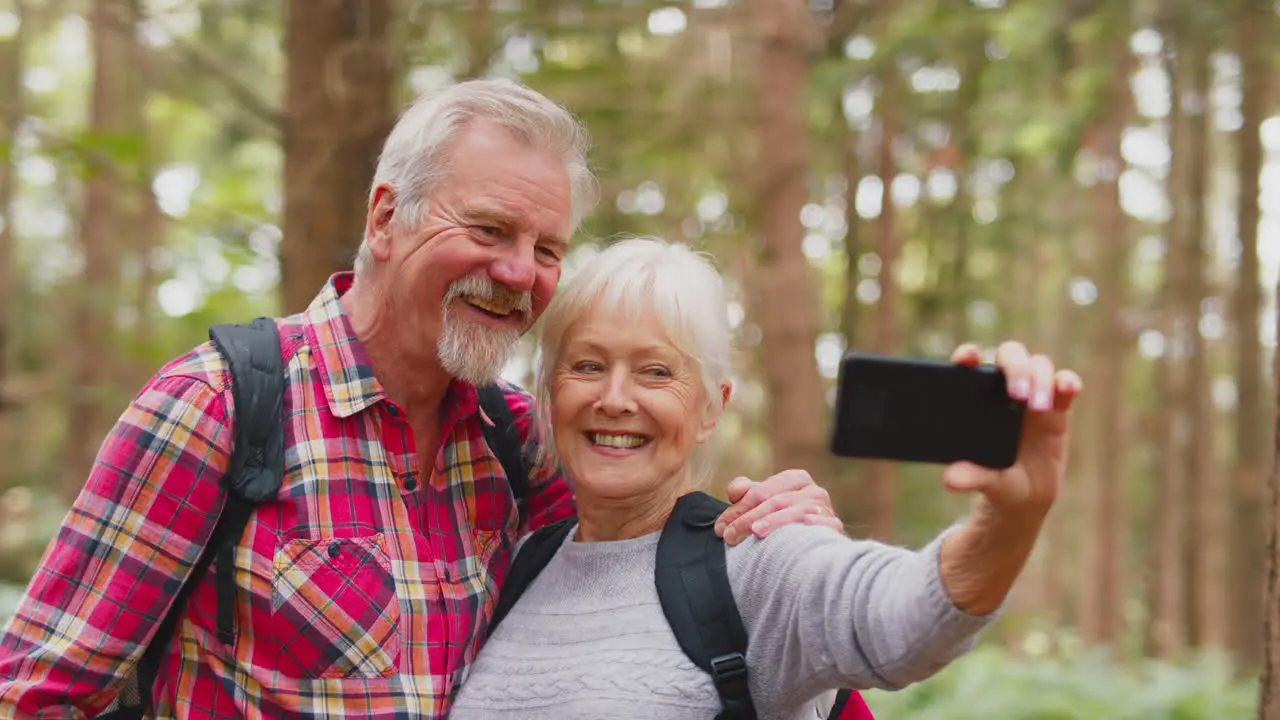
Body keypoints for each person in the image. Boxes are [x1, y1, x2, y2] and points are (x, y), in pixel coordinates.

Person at [0, 80, 841, 719]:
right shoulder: (216, 407)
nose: (519, 272)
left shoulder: (524, 444)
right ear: (384, 217)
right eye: (487, 230)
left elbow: (649, 572)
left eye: (546, 248)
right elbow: (38, 692)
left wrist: (778, 528)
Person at [448, 237, 1083, 719]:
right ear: (549, 395)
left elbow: (903, 625)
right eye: (587, 365)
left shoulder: (755, 554)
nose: (615, 398)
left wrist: (1011, 518)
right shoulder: (520, 563)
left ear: (711, 409)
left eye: (656, 372)